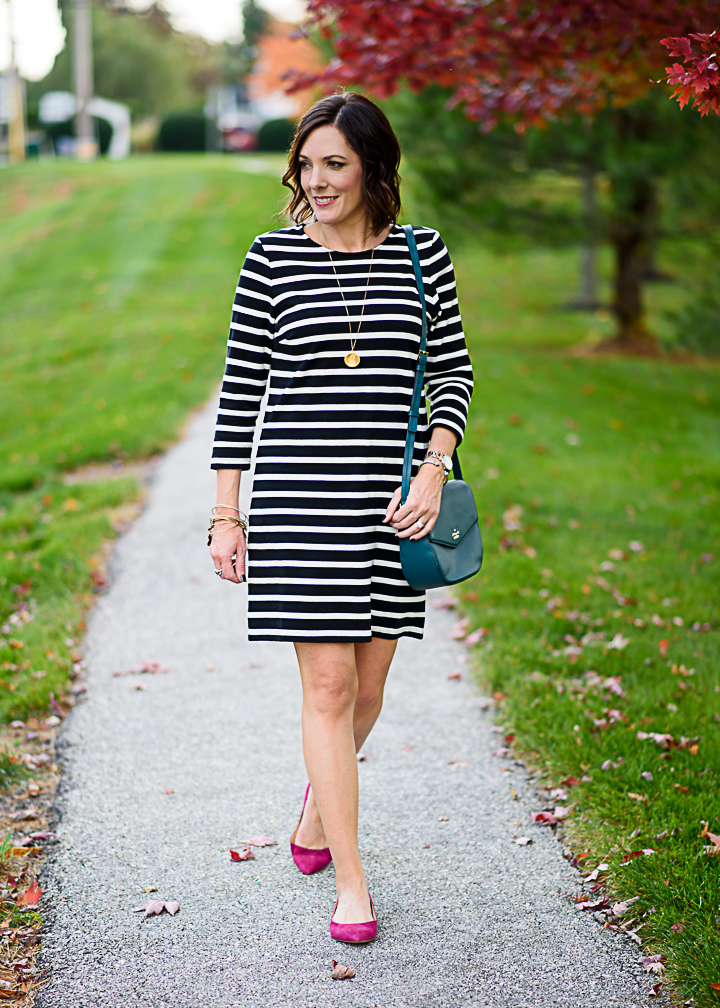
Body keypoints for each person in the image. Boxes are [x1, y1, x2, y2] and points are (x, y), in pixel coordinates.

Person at [209, 91, 473, 944]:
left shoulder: (424, 257)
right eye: (307, 164)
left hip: (395, 507)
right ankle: (353, 886)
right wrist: (226, 515)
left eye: (336, 165)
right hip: (299, 506)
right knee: (326, 689)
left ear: (374, 170)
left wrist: (435, 470)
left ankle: (318, 814)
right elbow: (241, 394)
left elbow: (454, 379)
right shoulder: (272, 261)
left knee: (368, 691)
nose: (316, 181)